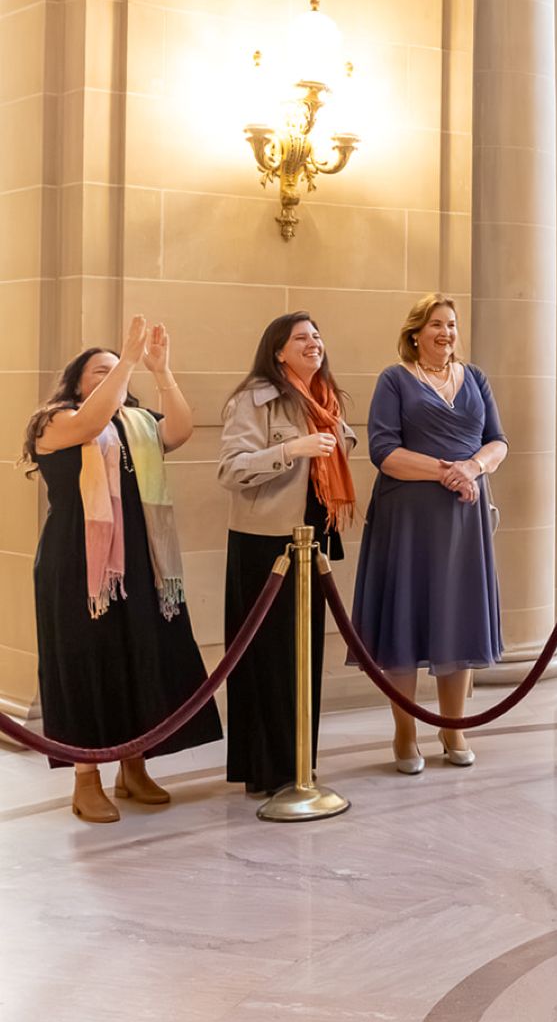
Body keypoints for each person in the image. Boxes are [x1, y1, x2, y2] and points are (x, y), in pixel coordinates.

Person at [23, 317, 221, 822]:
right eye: (100, 370)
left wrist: (161, 370)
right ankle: (86, 778)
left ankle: (135, 765)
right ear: (77, 382)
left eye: (116, 368)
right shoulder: (55, 420)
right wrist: (128, 358)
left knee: (140, 656)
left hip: (140, 562)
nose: (113, 374)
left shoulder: (136, 423)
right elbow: (91, 423)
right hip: (77, 566)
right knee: (86, 664)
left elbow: (179, 429)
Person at [352, 293, 506, 773]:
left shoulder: (475, 377)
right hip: (409, 518)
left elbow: (498, 441)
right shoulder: (394, 380)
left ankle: (453, 726)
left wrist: (472, 467)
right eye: (436, 324)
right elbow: (384, 451)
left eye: (452, 325)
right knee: (405, 618)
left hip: (464, 518)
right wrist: (447, 471)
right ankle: (405, 732)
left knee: (456, 617)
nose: (446, 333)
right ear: (416, 332)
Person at [218, 312, 357, 797]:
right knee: (268, 659)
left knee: (305, 656)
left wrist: (333, 437)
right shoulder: (252, 399)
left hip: (311, 541)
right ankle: (267, 767)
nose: (314, 343)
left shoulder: (325, 399)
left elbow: (342, 444)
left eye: (318, 335)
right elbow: (231, 470)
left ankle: (300, 761)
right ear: (278, 349)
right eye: (301, 337)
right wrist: (292, 448)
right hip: (264, 547)